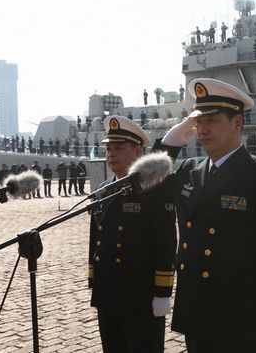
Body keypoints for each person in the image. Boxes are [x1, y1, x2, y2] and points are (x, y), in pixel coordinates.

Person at [151, 78, 256, 352]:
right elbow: (146, 186)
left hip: (241, 318)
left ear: (237, 124)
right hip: (196, 313)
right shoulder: (189, 170)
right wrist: (171, 142)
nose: (202, 129)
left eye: (212, 121)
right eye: (198, 122)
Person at [89, 115, 176, 353]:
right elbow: (95, 238)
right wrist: (93, 279)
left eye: (118, 148)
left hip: (140, 295)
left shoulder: (153, 189)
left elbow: (166, 243)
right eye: (108, 149)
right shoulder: (102, 189)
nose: (111, 154)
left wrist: (162, 293)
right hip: (107, 293)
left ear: (138, 151)